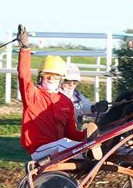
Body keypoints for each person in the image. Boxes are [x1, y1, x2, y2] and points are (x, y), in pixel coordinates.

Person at [16, 24, 98, 161]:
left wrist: (86, 135)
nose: (51, 80)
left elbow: (71, 133)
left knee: (67, 142)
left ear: (61, 79)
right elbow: (24, 76)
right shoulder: (32, 95)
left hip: (61, 147)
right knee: (63, 143)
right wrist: (25, 49)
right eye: (48, 76)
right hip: (39, 150)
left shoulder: (65, 102)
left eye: (55, 77)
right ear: (41, 77)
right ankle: (88, 154)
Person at [59, 63, 109, 129]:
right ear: (62, 80)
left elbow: (86, 105)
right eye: (68, 81)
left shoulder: (76, 95)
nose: (71, 84)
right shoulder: (56, 94)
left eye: (74, 82)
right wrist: (92, 108)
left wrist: (99, 109)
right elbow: (73, 110)